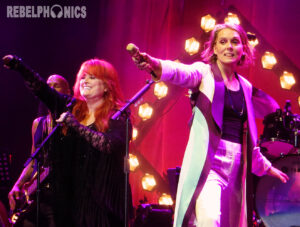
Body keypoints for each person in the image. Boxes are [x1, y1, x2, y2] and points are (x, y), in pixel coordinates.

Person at [130, 23, 289, 227]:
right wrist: (154, 64)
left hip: (237, 166)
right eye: (222, 42)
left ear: (243, 49)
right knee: (208, 219)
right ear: (214, 48)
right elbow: (180, 72)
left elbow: (249, 139)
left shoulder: (246, 87)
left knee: (231, 223)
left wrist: (267, 168)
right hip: (210, 164)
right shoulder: (204, 73)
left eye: (235, 42)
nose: (229, 46)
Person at [4, 57, 132, 227]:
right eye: (83, 77)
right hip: (72, 201)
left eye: (92, 77)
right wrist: (19, 66)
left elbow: (108, 145)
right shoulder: (72, 107)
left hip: (102, 204)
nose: (85, 81)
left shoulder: (118, 116)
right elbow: (43, 90)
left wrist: (76, 126)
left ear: (107, 85)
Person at [8, 74, 71, 227]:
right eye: (47, 85)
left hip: (63, 196)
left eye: (55, 85)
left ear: (68, 93)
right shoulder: (38, 123)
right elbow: (33, 160)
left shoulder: (73, 121)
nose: (49, 88)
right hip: (39, 195)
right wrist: (17, 184)